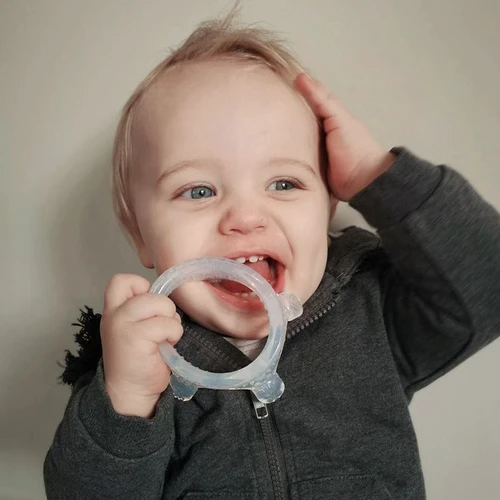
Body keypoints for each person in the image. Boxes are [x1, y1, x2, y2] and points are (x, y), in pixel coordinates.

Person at [44, 8, 500, 500]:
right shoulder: (138, 360)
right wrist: (128, 400)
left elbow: (487, 283)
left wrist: (375, 174)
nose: (245, 216)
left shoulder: (373, 314)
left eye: (284, 183)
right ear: (141, 235)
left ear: (328, 207)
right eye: (198, 191)